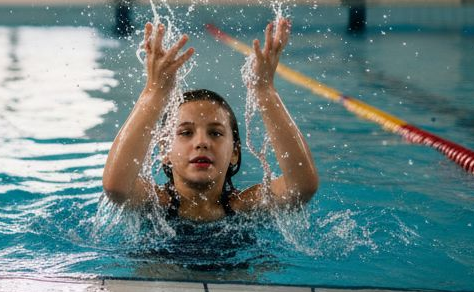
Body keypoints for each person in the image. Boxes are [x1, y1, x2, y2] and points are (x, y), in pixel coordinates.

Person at [102, 19, 318, 221]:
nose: (202, 142)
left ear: (234, 152)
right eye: (186, 133)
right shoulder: (155, 204)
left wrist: (264, 90)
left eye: (215, 133)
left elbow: (301, 188)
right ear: (165, 151)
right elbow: (116, 187)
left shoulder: (245, 206)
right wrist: (154, 92)